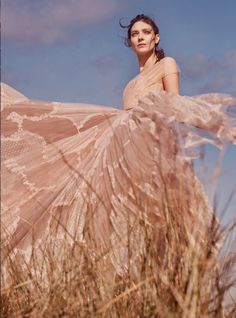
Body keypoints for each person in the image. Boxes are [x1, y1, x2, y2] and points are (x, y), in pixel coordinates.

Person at [1, 14, 235, 277]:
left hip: (149, 143)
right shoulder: (130, 84)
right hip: (123, 146)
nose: (140, 37)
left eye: (146, 32)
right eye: (135, 34)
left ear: (156, 38)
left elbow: (176, 105)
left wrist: (221, 124)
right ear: (130, 41)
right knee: (111, 211)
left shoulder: (166, 64)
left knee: (153, 213)